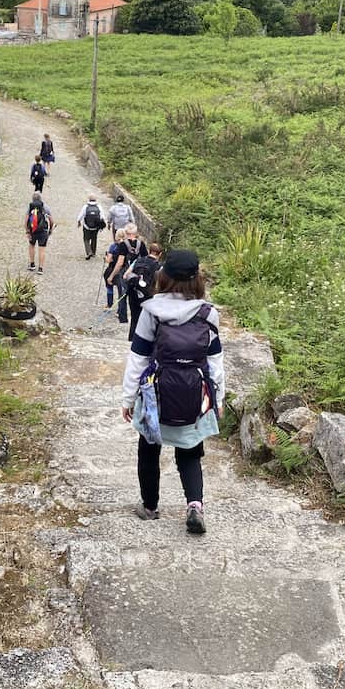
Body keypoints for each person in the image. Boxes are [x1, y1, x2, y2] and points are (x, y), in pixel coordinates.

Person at [121, 250, 224, 535]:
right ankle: (194, 505)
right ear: (197, 280)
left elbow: (138, 358)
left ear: (162, 276)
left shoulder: (151, 311)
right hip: (193, 391)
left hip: (156, 393)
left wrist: (127, 398)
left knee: (149, 449)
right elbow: (215, 361)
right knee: (190, 452)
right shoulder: (207, 313)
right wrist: (218, 399)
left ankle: (151, 507)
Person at [105, 223, 144, 325]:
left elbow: (120, 263)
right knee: (137, 294)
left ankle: (123, 317)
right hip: (138, 273)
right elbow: (145, 261)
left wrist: (112, 276)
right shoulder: (141, 244)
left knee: (122, 294)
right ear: (136, 233)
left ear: (126, 233)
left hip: (124, 273)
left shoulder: (123, 245)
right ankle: (137, 316)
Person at [124, 241, 162, 341]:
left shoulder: (138, 260)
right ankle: (141, 341)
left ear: (149, 251)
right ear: (160, 254)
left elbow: (125, 275)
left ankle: (131, 339)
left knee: (134, 318)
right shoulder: (159, 266)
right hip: (148, 296)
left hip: (133, 292)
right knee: (146, 320)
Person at [25, 192, 53, 274]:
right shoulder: (46, 207)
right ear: (41, 199)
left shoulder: (30, 207)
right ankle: (40, 268)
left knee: (32, 246)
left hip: (33, 230)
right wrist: (50, 229)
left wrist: (27, 231)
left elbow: (26, 220)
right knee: (42, 249)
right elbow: (51, 220)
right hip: (43, 231)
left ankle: (32, 264)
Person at [76, 194, 105, 260]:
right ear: (96, 199)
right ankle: (93, 253)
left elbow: (81, 215)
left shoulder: (85, 207)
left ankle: (89, 251)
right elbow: (102, 217)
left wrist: (79, 222)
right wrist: (101, 226)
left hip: (87, 226)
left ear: (89, 199)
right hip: (95, 227)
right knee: (94, 239)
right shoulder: (99, 207)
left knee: (86, 239)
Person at [103, 228, 126, 310]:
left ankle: (109, 305)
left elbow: (108, 260)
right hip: (124, 271)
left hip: (112, 269)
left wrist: (105, 257)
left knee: (109, 286)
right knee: (121, 291)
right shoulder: (127, 246)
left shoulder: (113, 247)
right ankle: (120, 310)